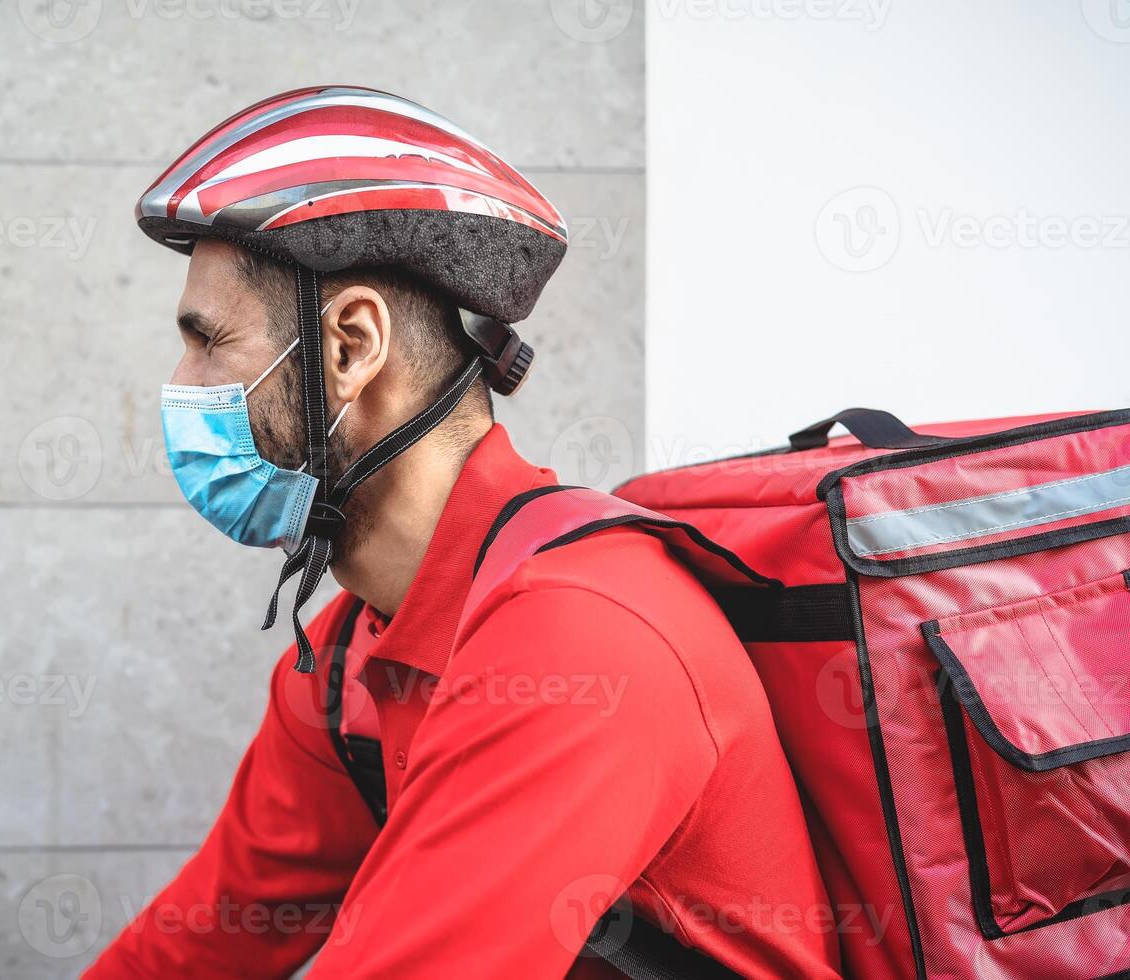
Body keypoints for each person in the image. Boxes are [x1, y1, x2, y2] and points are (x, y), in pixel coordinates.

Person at [85, 85, 840, 979]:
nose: (180, 383)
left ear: (350, 345)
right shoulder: (346, 661)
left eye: (208, 341)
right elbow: (204, 943)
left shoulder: (583, 638)